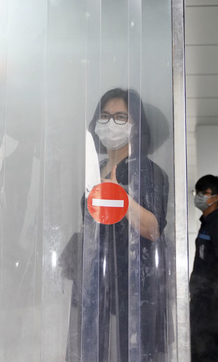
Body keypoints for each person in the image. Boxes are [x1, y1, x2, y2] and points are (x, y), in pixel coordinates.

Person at [63, 88, 169, 362]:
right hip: (94, 283)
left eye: (121, 117)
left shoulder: (146, 170)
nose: (111, 123)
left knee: (123, 351)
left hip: (129, 289)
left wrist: (121, 197)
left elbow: (153, 229)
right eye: (105, 116)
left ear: (136, 126)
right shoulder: (95, 169)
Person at [189, 174, 218, 362]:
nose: (199, 196)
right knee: (195, 351)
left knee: (207, 353)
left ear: (215, 198)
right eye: (197, 192)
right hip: (200, 300)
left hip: (213, 304)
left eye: (204, 193)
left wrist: (212, 294)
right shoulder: (205, 224)